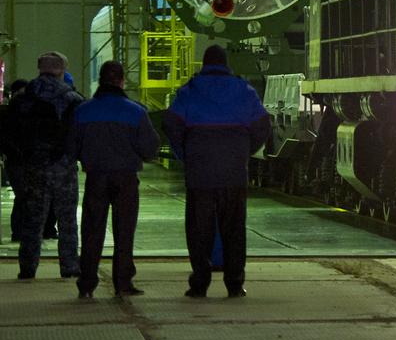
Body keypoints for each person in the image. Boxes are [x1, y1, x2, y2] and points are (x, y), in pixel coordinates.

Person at [165, 45, 269, 298]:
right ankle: (234, 283)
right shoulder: (244, 90)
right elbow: (263, 124)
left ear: (204, 63)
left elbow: (171, 124)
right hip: (234, 173)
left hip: (200, 174)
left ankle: (200, 283)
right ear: (226, 63)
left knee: (199, 230)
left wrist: (186, 154)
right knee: (234, 229)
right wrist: (244, 151)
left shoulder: (189, 91)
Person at [67, 61, 159, 299]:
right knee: (124, 231)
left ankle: (86, 284)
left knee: (92, 231)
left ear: (101, 79)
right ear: (121, 81)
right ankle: (123, 282)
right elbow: (150, 149)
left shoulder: (83, 111)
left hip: (96, 178)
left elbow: (70, 148)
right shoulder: (136, 111)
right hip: (126, 179)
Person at [6, 53, 84, 279]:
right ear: (62, 70)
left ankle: (27, 267)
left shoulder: (23, 98)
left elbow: (11, 132)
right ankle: (69, 266)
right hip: (63, 166)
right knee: (67, 219)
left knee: (32, 218)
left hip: (32, 165)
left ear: (39, 68)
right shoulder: (71, 98)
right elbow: (78, 133)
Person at [1, 78, 29, 243]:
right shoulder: (12, 113)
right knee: (24, 195)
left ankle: (19, 231)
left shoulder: (8, 113)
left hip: (15, 160)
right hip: (18, 160)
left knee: (23, 196)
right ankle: (19, 231)